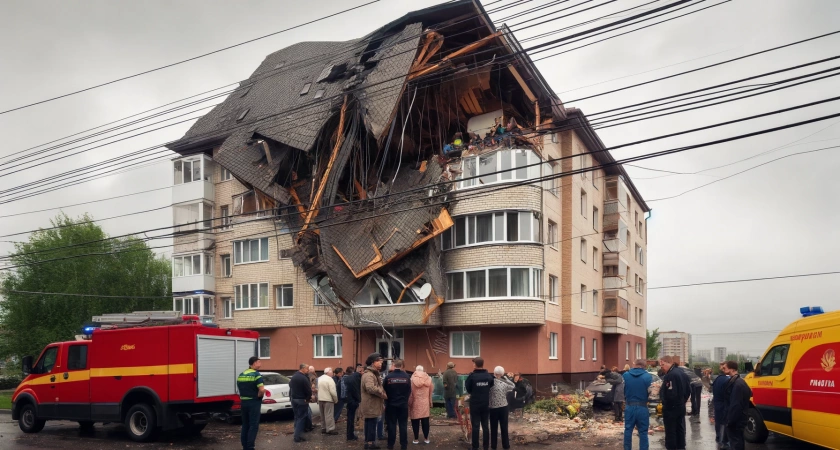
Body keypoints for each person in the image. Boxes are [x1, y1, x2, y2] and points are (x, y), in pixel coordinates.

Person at [660, 356, 690, 450]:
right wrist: (683, 401)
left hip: (671, 408)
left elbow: (670, 393)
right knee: (680, 428)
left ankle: (672, 447)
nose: (662, 367)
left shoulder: (671, 375)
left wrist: (665, 403)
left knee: (670, 431)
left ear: (667, 362)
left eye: (662, 364)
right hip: (680, 406)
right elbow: (689, 390)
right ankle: (681, 447)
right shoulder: (682, 373)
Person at [622, 359, 652, 450]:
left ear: (634, 364)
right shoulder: (648, 376)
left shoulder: (625, 375)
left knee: (628, 430)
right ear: (643, 366)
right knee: (643, 431)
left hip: (629, 406)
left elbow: (623, 390)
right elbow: (651, 393)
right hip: (642, 407)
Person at [465, 357, 494, 450]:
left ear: (475, 365)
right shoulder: (489, 376)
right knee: (485, 426)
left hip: (475, 404)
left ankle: (475, 447)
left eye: (473, 363)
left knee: (476, 426)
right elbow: (491, 385)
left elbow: (468, 389)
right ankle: (486, 447)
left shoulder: (472, 376)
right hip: (486, 404)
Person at [237, 356, 265, 450]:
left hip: (244, 402)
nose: (260, 364)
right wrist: (259, 395)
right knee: (253, 425)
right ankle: (250, 447)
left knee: (245, 424)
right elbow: (261, 390)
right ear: (254, 363)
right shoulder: (256, 375)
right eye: (259, 362)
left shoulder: (241, 374)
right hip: (254, 402)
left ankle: (244, 445)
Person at [722, 361, 751, 450]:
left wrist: (730, 421)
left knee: (736, 443)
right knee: (738, 440)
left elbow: (736, 405)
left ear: (732, 369)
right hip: (739, 418)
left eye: (725, 368)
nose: (723, 370)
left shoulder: (738, 384)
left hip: (736, 420)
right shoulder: (738, 381)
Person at [361, 353, 388, 450]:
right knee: (371, 424)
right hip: (371, 404)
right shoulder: (369, 375)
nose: (380, 363)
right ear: (372, 363)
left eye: (381, 361)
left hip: (372, 404)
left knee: (370, 423)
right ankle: (370, 444)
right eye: (378, 361)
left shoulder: (372, 373)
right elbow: (370, 388)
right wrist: (382, 393)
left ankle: (369, 443)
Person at [383, 359, 411, 450]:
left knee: (391, 425)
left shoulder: (388, 377)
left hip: (391, 405)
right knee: (403, 425)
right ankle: (404, 445)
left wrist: (386, 402)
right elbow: (408, 391)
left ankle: (390, 445)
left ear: (394, 365)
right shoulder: (407, 377)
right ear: (401, 366)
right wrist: (405, 400)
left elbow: (384, 390)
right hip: (403, 405)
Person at [489, 366, 514, 450]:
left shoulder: (490, 383)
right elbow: (513, 386)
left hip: (493, 408)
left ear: (494, 373)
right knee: (504, 427)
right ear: (502, 374)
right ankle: (506, 446)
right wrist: (506, 378)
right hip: (503, 407)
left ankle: (493, 446)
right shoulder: (504, 384)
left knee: (493, 428)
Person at [409, 365, 433, 445]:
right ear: (423, 370)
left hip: (415, 402)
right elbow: (431, 391)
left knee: (415, 421)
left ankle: (416, 439)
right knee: (425, 421)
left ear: (416, 370)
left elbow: (410, 393)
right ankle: (426, 438)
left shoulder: (412, 379)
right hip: (425, 402)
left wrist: (410, 403)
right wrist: (430, 401)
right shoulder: (428, 378)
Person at [289, 363, 312, 443]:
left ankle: (297, 434)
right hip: (302, 400)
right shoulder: (303, 378)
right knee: (301, 418)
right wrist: (308, 398)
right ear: (302, 368)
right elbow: (308, 390)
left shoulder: (294, 376)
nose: (308, 370)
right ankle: (297, 436)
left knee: (297, 417)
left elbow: (290, 387)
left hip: (294, 399)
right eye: (307, 369)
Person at [711, 362, 731, 450]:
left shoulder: (717, 379)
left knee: (719, 422)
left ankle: (719, 438)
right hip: (724, 405)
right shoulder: (728, 380)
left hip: (717, 404)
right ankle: (723, 443)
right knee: (724, 423)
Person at [318, 367, 339, 435]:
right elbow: (333, 391)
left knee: (322, 414)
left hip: (320, 398)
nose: (333, 373)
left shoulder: (320, 378)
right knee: (329, 414)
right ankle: (330, 429)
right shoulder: (330, 380)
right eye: (332, 372)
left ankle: (323, 428)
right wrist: (335, 400)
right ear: (329, 373)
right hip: (328, 399)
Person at [344, 366, 362, 441]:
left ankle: (349, 434)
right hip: (353, 401)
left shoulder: (348, 378)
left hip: (349, 400)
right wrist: (359, 400)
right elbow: (356, 391)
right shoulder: (357, 378)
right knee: (351, 419)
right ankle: (350, 435)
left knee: (350, 418)